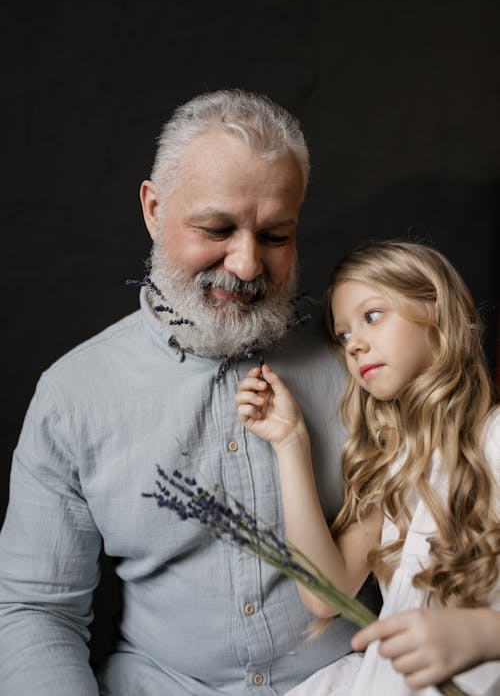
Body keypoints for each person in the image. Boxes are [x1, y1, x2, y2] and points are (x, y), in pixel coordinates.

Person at [0, 90, 380, 696]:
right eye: (216, 228)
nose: (248, 264)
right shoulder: (72, 396)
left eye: (277, 235)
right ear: (153, 209)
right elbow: (38, 613)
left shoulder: (364, 364)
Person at [236, 240, 500, 695]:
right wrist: (290, 443)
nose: (354, 344)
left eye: (372, 316)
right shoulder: (395, 466)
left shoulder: (494, 440)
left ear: (436, 309)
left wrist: (483, 633)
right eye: (342, 335)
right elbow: (324, 594)